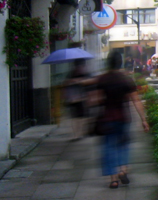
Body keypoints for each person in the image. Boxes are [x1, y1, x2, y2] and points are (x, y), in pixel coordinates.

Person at [93, 50, 149, 189]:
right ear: (120, 63)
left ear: (108, 62)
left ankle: (113, 180)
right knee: (123, 144)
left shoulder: (102, 79)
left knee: (109, 147)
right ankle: (123, 170)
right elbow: (136, 100)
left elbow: (97, 100)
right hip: (123, 117)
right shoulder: (126, 79)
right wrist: (143, 119)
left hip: (107, 117)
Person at [64, 60, 91, 140]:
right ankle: (76, 134)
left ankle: (80, 133)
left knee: (82, 117)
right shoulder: (71, 74)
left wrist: (80, 81)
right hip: (73, 98)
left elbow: (90, 82)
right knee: (75, 117)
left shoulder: (85, 74)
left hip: (82, 98)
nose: (80, 68)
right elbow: (66, 84)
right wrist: (73, 81)